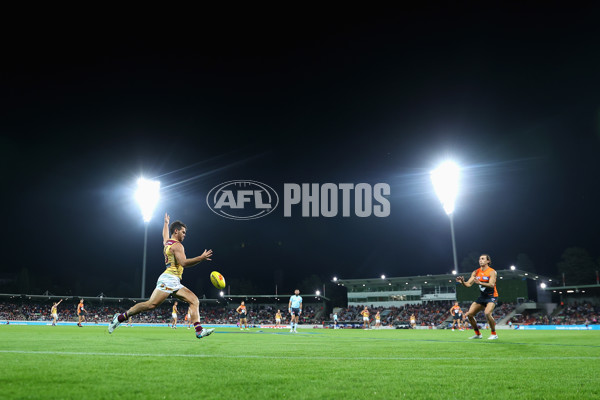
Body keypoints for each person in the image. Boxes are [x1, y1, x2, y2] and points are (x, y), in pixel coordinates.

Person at [108, 213, 215, 339]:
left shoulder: (168, 243)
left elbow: (164, 236)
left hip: (172, 280)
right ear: (176, 231)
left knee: (194, 300)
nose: (185, 235)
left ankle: (199, 330)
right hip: (170, 279)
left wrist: (165, 223)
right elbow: (184, 263)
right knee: (150, 305)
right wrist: (201, 258)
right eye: (183, 232)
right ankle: (120, 317)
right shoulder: (178, 246)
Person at [456, 254, 499, 340]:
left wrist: (480, 283)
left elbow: (491, 284)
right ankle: (478, 334)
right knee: (470, 315)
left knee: (487, 313)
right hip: (482, 297)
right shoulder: (476, 272)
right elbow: (468, 284)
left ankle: (494, 334)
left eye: (483, 259)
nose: (480, 260)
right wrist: (463, 282)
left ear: (488, 261)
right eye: (479, 259)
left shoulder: (492, 272)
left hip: (492, 296)